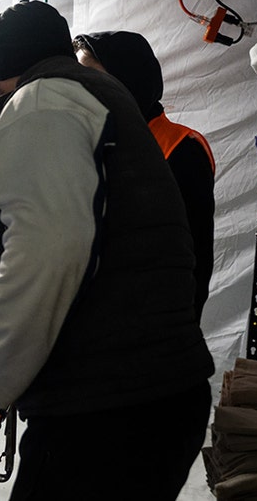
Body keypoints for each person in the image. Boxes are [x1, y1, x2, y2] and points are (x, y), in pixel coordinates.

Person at [0, 0, 214, 500]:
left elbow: (49, 251)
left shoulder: (41, 102)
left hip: (108, 414)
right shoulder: (100, 95)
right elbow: (89, 237)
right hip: (149, 400)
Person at [73, 30, 216, 320]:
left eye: (92, 77)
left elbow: (193, 264)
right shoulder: (96, 144)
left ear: (129, 81)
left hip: (151, 333)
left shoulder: (181, 150)